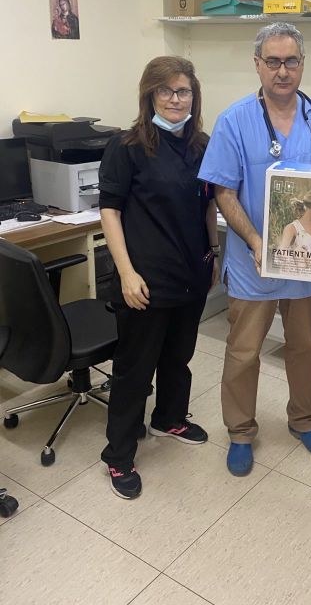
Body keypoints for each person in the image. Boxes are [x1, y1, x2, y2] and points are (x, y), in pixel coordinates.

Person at [199, 22, 311, 476]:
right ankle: (241, 431)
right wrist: (256, 241)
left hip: (304, 263)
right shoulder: (234, 120)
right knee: (243, 352)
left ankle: (304, 420)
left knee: (305, 347)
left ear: (302, 63)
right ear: (257, 64)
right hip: (254, 261)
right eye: (273, 61)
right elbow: (223, 191)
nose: (283, 71)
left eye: (291, 61)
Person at [98, 56, 220, 499]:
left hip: (191, 272)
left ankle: (169, 418)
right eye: (165, 90)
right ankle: (119, 455)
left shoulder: (203, 145)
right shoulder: (127, 146)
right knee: (135, 369)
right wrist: (126, 273)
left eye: (183, 91)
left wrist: (213, 253)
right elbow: (110, 211)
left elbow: (208, 205)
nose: (174, 99)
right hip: (145, 280)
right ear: (149, 94)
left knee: (178, 357)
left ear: (194, 96)